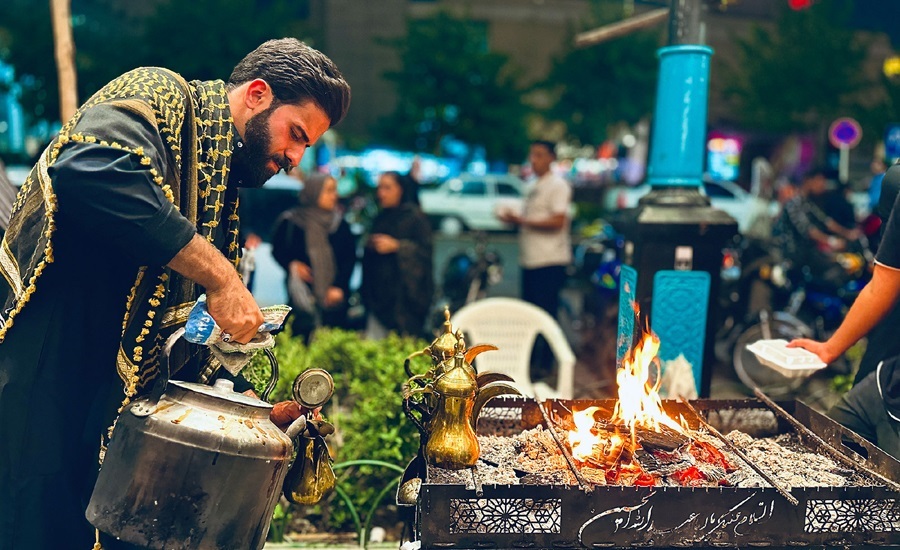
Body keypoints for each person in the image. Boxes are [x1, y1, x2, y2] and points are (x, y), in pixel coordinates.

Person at [0, 38, 350, 549]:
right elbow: (91, 171)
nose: (295, 159)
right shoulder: (160, 91)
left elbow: (179, 328)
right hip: (45, 380)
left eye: (306, 147)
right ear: (256, 94)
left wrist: (254, 409)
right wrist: (223, 278)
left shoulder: (222, 191)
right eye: (296, 135)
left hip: (108, 408)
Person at [788, 162, 900, 459]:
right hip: (886, 368)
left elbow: (884, 285)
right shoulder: (801, 205)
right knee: (839, 445)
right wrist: (829, 349)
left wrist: (830, 349)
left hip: (889, 374)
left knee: (838, 454)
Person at [271, 173, 356, 342]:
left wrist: (339, 286)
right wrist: (292, 264)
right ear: (314, 191)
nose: (335, 196)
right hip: (300, 298)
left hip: (333, 302)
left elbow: (349, 259)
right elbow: (278, 250)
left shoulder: (341, 225)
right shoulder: (291, 222)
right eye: (329, 191)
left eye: (335, 190)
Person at [498, 140, 572, 319]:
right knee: (530, 314)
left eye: (539, 155)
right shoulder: (532, 184)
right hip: (530, 259)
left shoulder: (558, 185)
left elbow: (558, 221)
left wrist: (523, 221)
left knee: (545, 315)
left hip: (549, 260)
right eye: (532, 155)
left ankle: (547, 348)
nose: (533, 160)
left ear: (551, 158)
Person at [361, 170, 433, 339]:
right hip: (379, 299)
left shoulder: (416, 218)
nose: (381, 193)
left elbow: (424, 254)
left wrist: (398, 247)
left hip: (405, 303)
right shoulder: (380, 217)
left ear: (401, 190)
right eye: (379, 188)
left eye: (387, 188)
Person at [771, 167, 860, 292]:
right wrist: (831, 241)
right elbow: (808, 230)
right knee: (833, 267)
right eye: (820, 181)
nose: (823, 185)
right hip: (792, 254)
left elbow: (826, 221)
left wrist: (849, 234)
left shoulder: (807, 202)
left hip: (806, 252)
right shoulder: (794, 202)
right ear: (809, 181)